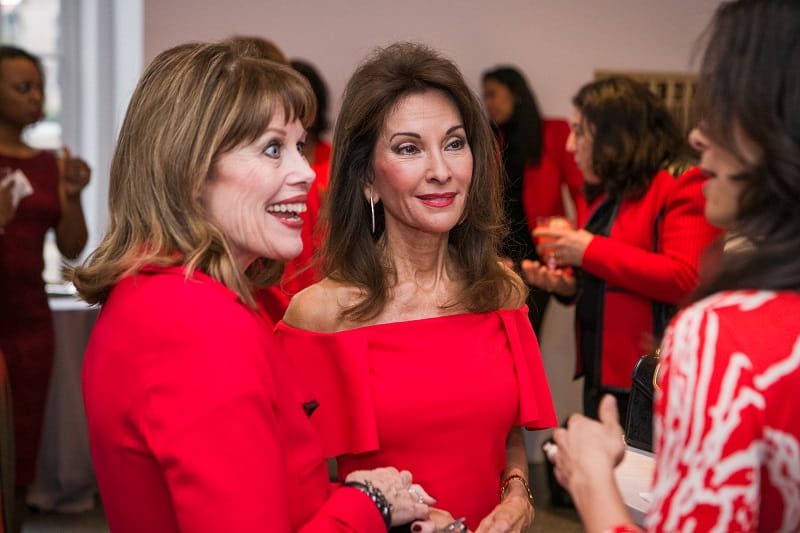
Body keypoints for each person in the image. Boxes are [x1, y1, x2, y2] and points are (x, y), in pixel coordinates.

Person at [69, 40, 440, 533]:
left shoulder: (158, 294)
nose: (304, 172)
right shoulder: (198, 327)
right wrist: (369, 503)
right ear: (191, 169)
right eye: (272, 148)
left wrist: (355, 497)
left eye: (299, 147)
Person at [277, 42, 557, 533]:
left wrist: (518, 492)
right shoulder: (320, 315)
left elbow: (506, 432)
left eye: (454, 143)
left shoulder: (502, 294)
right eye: (409, 148)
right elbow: (286, 483)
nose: (441, 171)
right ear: (367, 178)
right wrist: (392, 513)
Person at [549, 1, 800, 531]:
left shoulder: (722, 336)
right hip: (606, 363)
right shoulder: (609, 196)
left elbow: (683, 275)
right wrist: (567, 283)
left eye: (726, 107)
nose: (698, 135)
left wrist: (591, 481)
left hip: (643, 369)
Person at [521, 76, 721, 421]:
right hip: (606, 371)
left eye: (580, 131)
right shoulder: (613, 189)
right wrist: (568, 287)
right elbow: (612, 278)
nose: (570, 145)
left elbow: (688, 278)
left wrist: (588, 249)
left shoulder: (681, 180)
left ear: (614, 135)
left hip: (656, 377)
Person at [0, 45, 90, 532]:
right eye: (23, 87)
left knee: (21, 446)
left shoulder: (50, 164)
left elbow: (73, 248)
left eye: (38, 86)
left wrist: (73, 197)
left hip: (30, 319)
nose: (36, 97)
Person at [481, 66, 585, 333]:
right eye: (485, 96)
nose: (487, 103)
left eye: (492, 94)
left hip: (540, 251)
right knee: (497, 333)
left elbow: (579, 190)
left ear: (515, 94)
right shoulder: (489, 138)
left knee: (528, 330)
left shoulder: (553, 132)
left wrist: (582, 240)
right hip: (497, 254)